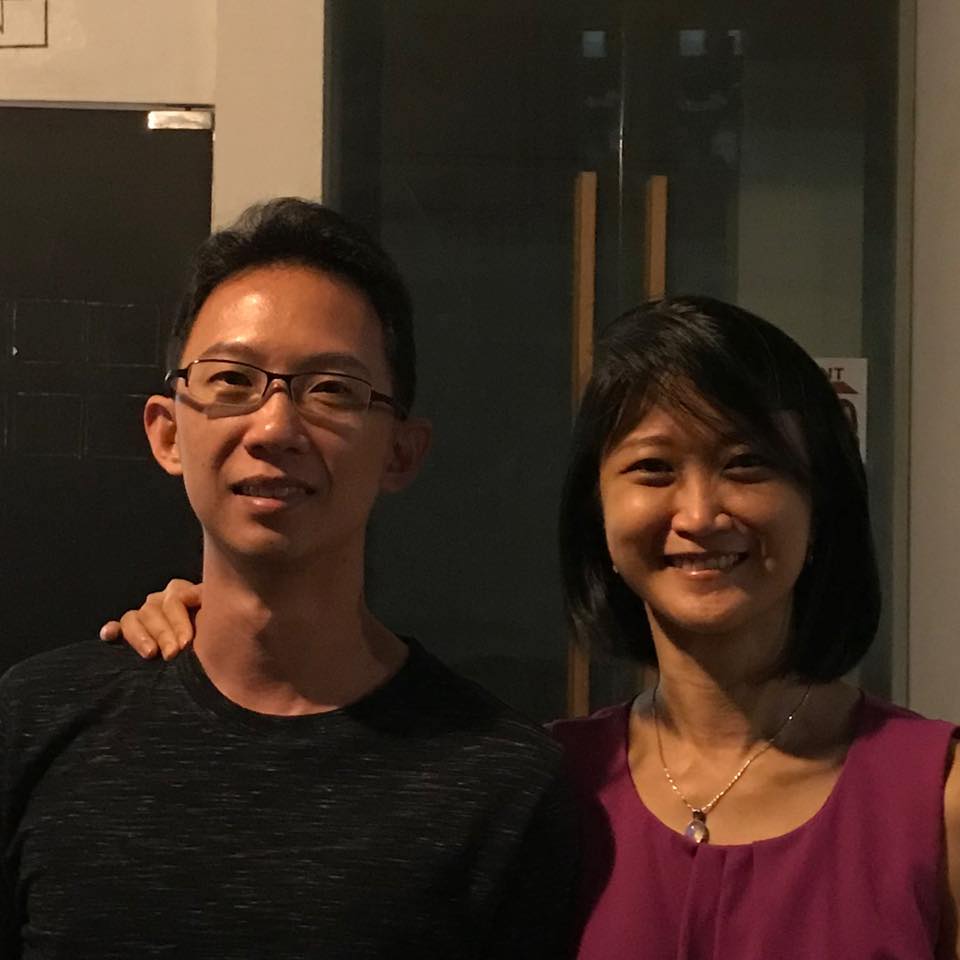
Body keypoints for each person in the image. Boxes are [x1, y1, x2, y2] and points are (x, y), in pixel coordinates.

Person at [108, 295, 960, 958]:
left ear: (821, 503)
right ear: (599, 516)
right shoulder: (536, 785)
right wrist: (221, 634)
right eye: (654, 468)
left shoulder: (938, 800)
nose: (701, 513)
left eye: (747, 465)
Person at [0, 198, 577, 959]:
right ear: (167, 433)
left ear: (401, 452)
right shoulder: (34, 722)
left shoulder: (500, 783)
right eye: (232, 381)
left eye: (331, 389)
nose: (274, 428)